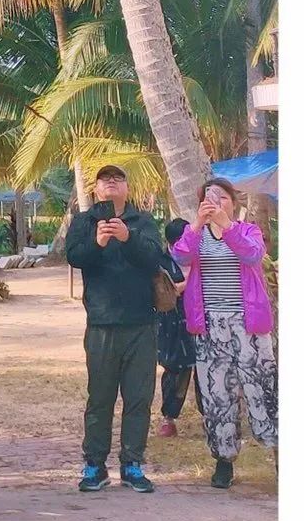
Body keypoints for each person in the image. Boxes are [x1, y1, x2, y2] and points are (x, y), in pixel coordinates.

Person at [171, 177, 277, 489]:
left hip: (249, 325)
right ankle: (223, 460)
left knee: (263, 389)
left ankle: (281, 454)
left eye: (222, 197)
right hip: (209, 326)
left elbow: (252, 256)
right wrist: (195, 225)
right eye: (208, 197)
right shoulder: (196, 236)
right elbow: (179, 258)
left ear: (233, 202)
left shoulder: (247, 231)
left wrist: (226, 226)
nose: (215, 202)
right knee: (217, 394)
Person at [67, 164, 162, 494]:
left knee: (138, 398)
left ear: (126, 187)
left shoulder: (143, 221)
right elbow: (75, 257)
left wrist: (128, 237)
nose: (111, 183)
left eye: (117, 178)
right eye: (105, 179)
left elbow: (155, 258)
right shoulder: (84, 221)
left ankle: (132, 464)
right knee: (100, 398)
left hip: (141, 323)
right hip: (102, 323)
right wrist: (97, 242)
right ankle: (95, 464)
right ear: (95, 188)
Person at [156, 217, 200, 436]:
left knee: (205, 369)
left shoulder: (201, 255)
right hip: (173, 323)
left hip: (201, 320)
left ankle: (210, 416)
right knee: (176, 370)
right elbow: (163, 295)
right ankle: (169, 418)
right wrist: (188, 282)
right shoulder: (162, 261)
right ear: (172, 243)